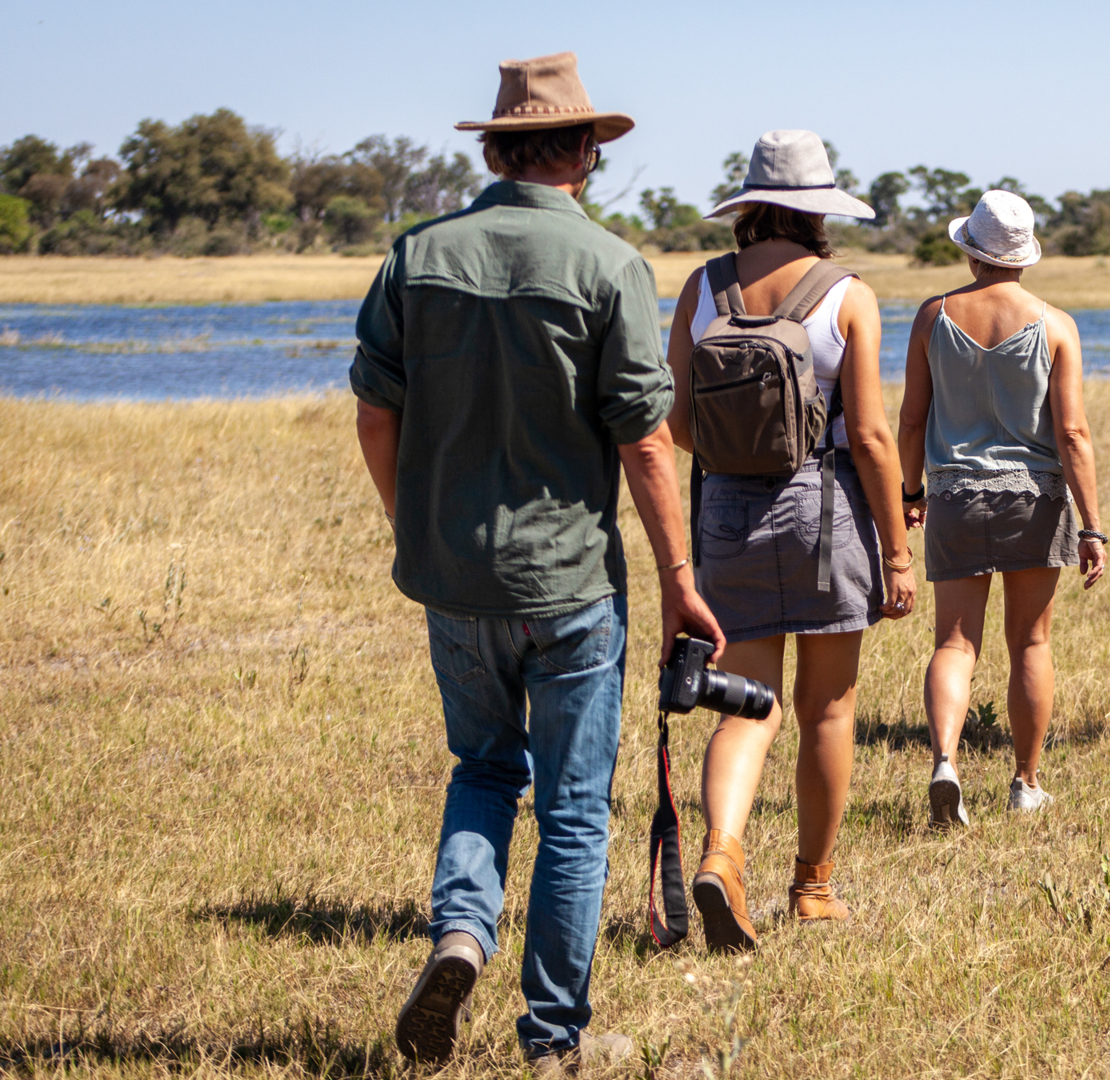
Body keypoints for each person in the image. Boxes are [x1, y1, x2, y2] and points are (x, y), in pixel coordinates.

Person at [351, 53, 722, 1073]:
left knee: (480, 768)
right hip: (569, 588)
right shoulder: (609, 265)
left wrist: (412, 525)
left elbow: (375, 415)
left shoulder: (416, 255)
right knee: (572, 809)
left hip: (453, 580)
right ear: (584, 151)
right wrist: (683, 581)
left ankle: (461, 937)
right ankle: (554, 1034)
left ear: (499, 147)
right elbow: (647, 443)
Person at [663, 130, 916, 953]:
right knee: (829, 708)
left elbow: (676, 424)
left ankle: (722, 853)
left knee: (745, 705)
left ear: (749, 207)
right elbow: (873, 438)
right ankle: (812, 886)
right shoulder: (849, 295)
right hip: (827, 510)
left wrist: (741, 453)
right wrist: (900, 556)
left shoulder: (702, 288)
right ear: (820, 212)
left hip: (725, 513)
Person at [896, 190, 1107, 827]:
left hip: (956, 496)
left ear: (971, 253)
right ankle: (1025, 781)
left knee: (955, 643)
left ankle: (944, 763)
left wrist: (911, 493)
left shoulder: (933, 317)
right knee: (1031, 642)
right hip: (1034, 500)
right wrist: (1093, 526)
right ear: (1023, 256)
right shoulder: (1055, 323)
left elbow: (911, 419)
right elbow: (1072, 435)